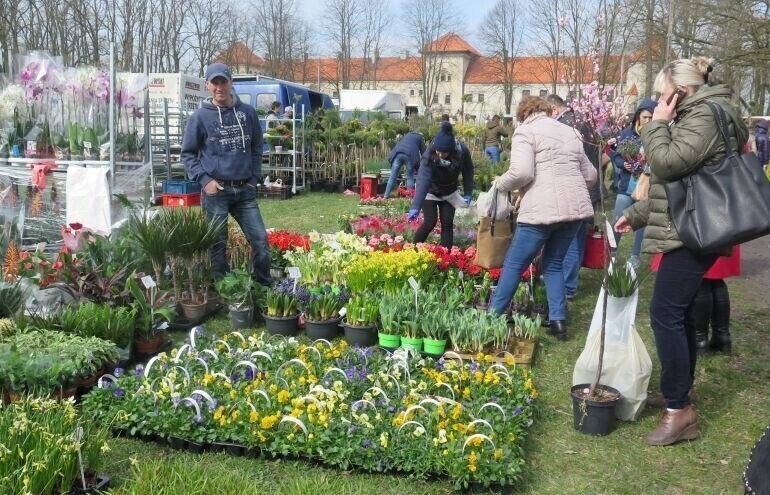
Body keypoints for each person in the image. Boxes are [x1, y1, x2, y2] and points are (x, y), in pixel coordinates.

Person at [615, 57, 748, 446]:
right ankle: (681, 391)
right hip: (691, 224)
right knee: (682, 311)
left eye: (663, 93)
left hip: (693, 232)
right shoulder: (698, 115)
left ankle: (679, 411)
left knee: (665, 313)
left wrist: (656, 124)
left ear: (681, 91)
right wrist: (637, 215)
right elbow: (681, 185)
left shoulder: (703, 116)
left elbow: (667, 164)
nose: (659, 100)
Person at [488, 96, 597, 340]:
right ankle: (558, 321)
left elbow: (521, 172)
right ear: (548, 110)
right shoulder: (570, 132)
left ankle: (492, 317)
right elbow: (590, 175)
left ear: (523, 115)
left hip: (540, 211)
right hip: (574, 212)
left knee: (515, 263)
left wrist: (500, 184)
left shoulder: (526, 131)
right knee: (554, 263)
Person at [181, 63, 271, 285]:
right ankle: (225, 290)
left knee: (260, 241)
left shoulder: (247, 113)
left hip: (245, 191)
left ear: (231, 83)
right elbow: (188, 154)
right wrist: (205, 181)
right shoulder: (199, 117)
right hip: (216, 192)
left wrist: (253, 178)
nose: (219, 87)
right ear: (207, 85)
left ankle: (263, 288)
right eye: (215, 82)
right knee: (217, 245)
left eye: (223, 81)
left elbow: (257, 147)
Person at [546, 94, 602, 299]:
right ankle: (570, 283)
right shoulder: (581, 120)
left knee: (568, 239)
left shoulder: (566, 126)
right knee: (577, 238)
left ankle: (566, 285)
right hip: (589, 187)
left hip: (577, 189)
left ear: (554, 109)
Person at [651, 247, 740, 356]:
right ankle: (722, 336)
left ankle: (700, 339)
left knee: (703, 279)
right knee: (716, 279)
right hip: (720, 238)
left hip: (699, 239)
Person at [407, 121, 473, 248]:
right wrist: (416, 206)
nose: (440, 155)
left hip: (450, 192)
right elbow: (423, 179)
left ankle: (445, 256)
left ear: (451, 150)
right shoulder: (429, 154)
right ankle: (413, 250)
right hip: (431, 190)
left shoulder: (462, 151)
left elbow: (468, 171)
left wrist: (468, 192)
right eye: (439, 151)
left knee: (447, 223)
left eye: (444, 152)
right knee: (430, 221)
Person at [610, 98, 656, 269]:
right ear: (638, 116)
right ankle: (612, 254)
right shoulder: (627, 134)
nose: (648, 120)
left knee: (641, 223)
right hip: (626, 185)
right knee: (617, 219)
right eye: (645, 117)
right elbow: (616, 155)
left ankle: (635, 257)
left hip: (646, 186)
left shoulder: (657, 134)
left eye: (651, 117)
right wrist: (624, 164)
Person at [384, 131, 425, 198]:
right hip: (410, 155)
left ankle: (386, 195)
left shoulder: (407, 135)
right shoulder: (420, 137)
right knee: (410, 177)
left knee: (392, 176)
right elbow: (424, 152)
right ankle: (410, 197)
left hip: (397, 153)